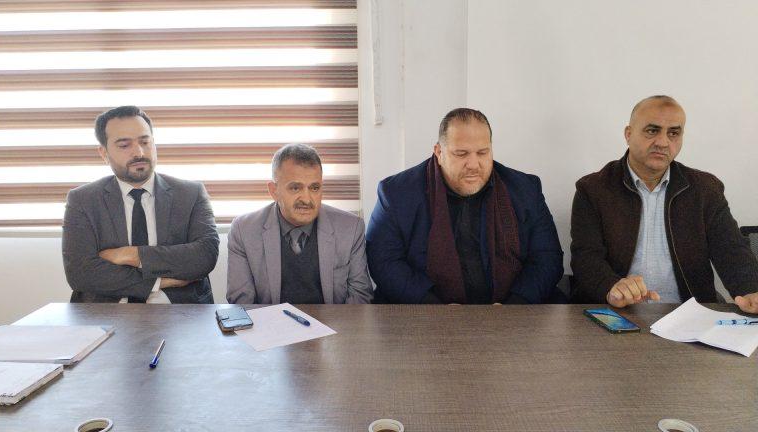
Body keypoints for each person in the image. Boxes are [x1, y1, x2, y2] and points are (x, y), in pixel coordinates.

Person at [570, 95, 758, 312]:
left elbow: (731, 250)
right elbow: (586, 258)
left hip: (689, 312)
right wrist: (611, 287)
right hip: (617, 311)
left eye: (673, 133)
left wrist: (751, 290)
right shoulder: (593, 189)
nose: (662, 142)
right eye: (652, 131)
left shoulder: (705, 189)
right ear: (628, 134)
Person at [366, 108, 563, 304]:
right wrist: (435, 308)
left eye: (482, 153)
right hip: (424, 311)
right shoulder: (396, 193)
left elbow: (547, 258)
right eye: (461, 154)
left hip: (513, 310)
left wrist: (513, 307)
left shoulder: (525, 190)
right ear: (439, 152)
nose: (473, 164)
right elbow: (384, 261)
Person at [62, 106, 219, 303]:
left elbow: (204, 256)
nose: (139, 152)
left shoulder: (190, 193)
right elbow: (80, 272)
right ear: (104, 153)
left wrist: (132, 255)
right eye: (124, 145)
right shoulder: (83, 200)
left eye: (145, 142)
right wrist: (157, 282)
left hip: (181, 311)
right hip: (107, 312)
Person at [227, 144, 373, 304]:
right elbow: (242, 304)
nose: (306, 199)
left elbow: (360, 298)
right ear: (274, 191)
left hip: (334, 320)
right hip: (270, 320)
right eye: (295, 188)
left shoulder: (351, 228)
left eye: (314, 188)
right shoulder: (243, 230)